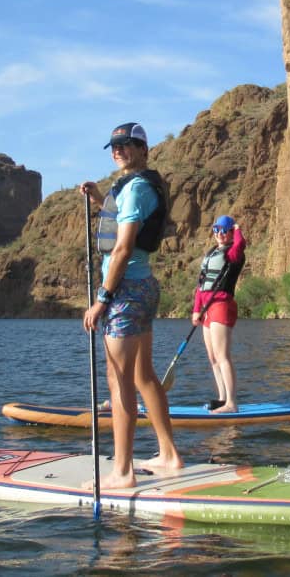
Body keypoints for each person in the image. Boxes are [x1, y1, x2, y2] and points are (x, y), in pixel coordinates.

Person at [80, 121, 183, 489]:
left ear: (143, 149)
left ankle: (122, 472)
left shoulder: (137, 188)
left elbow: (123, 248)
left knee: (118, 381)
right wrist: (97, 198)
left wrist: (102, 299)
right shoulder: (133, 187)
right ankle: (169, 455)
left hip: (124, 292)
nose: (118, 149)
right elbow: (122, 217)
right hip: (142, 288)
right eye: (113, 145)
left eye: (126, 144)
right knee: (142, 375)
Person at [193, 214, 246, 413]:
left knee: (222, 356)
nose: (220, 234)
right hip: (206, 308)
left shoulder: (234, 253)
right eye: (217, 230)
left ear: (231, 232)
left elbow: (241, 243)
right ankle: (223, 399)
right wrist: (196, 310)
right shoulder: (211, 253)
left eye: (225, 230)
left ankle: (232, 403)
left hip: (222, 305)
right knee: (212, 357)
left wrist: (238, 227)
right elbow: (201, 285)